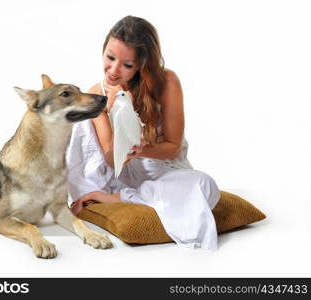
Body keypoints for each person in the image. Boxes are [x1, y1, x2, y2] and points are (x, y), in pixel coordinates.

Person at [66, 16, 220, 250]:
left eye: (127, 65)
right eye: (110, 57)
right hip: (123, 175)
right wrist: (116, 124)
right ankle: (116, 194)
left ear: (141, 65)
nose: (114, 70)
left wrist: (141, 150)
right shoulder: (98, 92)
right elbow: (109, 156)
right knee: (81, 116)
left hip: (163, 172)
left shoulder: (167, 81)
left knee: (206, 186)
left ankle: (118, 199)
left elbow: (172, 147)